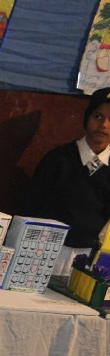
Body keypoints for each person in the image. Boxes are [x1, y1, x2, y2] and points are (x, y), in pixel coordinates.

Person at [22, 88, 110, 276]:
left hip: (89, 260)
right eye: (98, 116)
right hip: (44, 251)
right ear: (86, 118)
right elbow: (31, 206)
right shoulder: (58, 159)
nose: (104, 125)